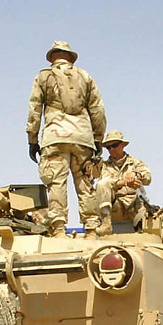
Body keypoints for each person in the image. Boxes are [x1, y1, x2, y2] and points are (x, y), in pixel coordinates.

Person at [26, 41, 106, 239]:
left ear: (52, 57)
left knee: (56, 183)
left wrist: (32, 139)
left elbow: (34, 109)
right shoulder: (85, 77)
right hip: (82, 137)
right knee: (85, 183)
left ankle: (59, 229)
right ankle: (91, 229)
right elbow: (97, 109)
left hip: (55, 137)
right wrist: (98, 138)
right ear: (70, 58)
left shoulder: (43, 76)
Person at [94, 130, 152, 235]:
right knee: (102, 185)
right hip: (115, 206)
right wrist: (125, 182)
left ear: (122, 145)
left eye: (114, 145)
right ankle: (106, 224)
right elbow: (105, 183)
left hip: (134, 204)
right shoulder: (104, 166)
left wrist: (136, 175)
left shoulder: (135, 163)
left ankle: (141, 230)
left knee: (148, 219)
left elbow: (148, 178)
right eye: (108, 147)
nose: (111, 149)